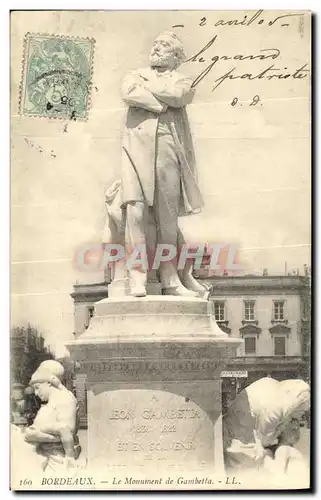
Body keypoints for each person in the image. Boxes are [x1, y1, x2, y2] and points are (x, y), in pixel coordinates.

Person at [120, 31, 206, 298]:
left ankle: (170, 279)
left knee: (167, 219)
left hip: (168, 147)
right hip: (135, 147)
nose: (156, 48)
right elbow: (128, 92)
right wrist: (161, 104)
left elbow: (181, 95)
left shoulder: (183, 79)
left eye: (164, 46)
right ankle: (137, 276)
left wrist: (151, 92)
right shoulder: (135, 74)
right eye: (155, 44)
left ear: (177, 57)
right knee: (135, 211)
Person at [223, 377, 310, 475]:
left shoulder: (287, 400)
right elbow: (264, 434)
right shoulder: (277, 407)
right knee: (244, 454)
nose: (301, 415)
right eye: (300, 411)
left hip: (252, 412)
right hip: (244, 414)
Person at [24, 361, 81, 472]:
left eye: (37, 387)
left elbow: (67, 431)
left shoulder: (65, 399)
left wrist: (37, 434)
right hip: (44, 457)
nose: (36, 393)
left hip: (57, 460)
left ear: (49, 382)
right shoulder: (50, 403)